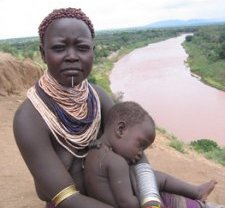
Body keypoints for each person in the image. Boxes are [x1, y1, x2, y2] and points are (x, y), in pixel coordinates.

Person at [13, 7, 217, 208]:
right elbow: (66, 198)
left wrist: (149, 198)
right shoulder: (30, 119)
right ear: (42, 53)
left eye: (82, 48)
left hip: (118, 192)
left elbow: (131, 144)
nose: (72, 56)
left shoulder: (97, 97)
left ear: (92, 51)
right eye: (59, 48)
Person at [84, 101, 217, 208]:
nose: (140, 154)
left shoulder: (94, 151)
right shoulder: (116, 163)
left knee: (157, 177)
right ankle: (196, 192)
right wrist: (155, 203)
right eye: (141, 145)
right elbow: (127, 203)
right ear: (121, 129)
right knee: (158, 179)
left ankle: (197, 191)